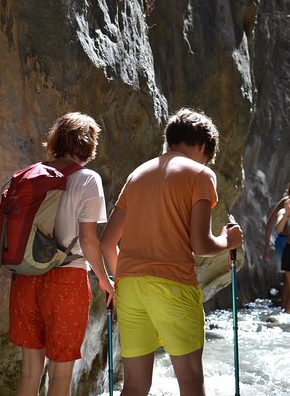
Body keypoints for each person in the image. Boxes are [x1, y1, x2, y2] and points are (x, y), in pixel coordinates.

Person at [100, 108, 243, 396]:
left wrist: (119, 282)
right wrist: (229, 242)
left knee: (135, 386)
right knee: (190, 382)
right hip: (173, 285)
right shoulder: (201, 174)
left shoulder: (138, 174)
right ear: (203, 146)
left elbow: (106, 242)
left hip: (129, 287)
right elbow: (201, 245)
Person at [9, 112, 116, 396]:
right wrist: (105, 281)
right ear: (88, 145)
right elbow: (88, 239)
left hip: (25, 276)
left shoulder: (29, 175)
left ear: (56, 140)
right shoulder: (87, 179)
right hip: (66, 281)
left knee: (30, 372)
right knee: (60, 374)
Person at [263, 185, 290, 320]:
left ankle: (289, 312)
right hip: (287, 245)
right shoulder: (284, 206)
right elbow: (275, 225)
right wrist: (266, 244)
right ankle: (287, 312)